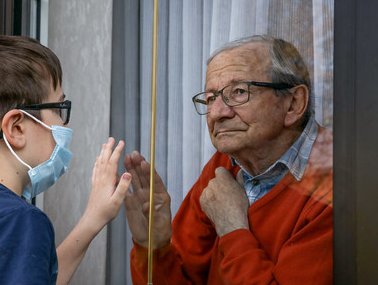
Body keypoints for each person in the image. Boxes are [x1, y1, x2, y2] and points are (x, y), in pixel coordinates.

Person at [124, 35, 333, 284]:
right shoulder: (222, 165)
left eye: (239, 92)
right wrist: (153, 248)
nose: (217, 113)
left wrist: (233, 229)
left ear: (293, 104)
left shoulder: (334, 185)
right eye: (211, 98)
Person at [0, 33, 131, 284]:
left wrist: (93, 219)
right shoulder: (14, 223)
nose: (64, 124)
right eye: (57, 109)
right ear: (16, 128)